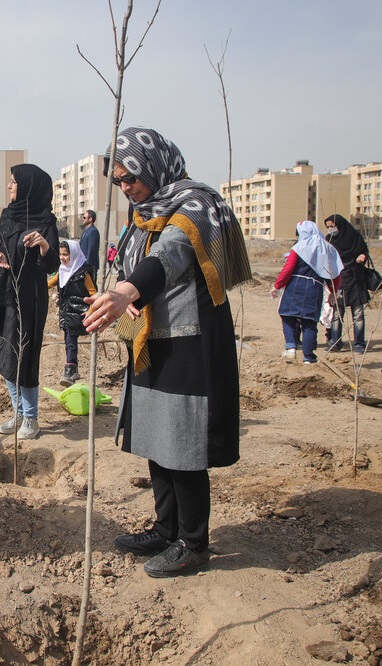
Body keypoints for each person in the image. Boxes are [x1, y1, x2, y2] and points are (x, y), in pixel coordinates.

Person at [83, 126, 252, 578]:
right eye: (118, 182)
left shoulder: (195, 204)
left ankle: (193, 543)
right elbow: (134, 261)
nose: (126, 188)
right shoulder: (142, 215)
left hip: (190, 343)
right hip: (152, 342)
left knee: (184, 443)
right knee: (158, 438)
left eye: (130, 177)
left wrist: (126, 291)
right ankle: (165, 528)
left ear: (152, 165)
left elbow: (172, 256)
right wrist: (115, 299)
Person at [0, 163, 61, 440]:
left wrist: (43, 243)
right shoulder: (9, 214)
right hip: (5, 292)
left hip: (30, 296)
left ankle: (31, 418)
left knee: (25, 355)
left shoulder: (46, 220)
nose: (9, 186)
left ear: (29, 186)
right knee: (6, 353)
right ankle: (17, 412)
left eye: (14, 182)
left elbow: (52, 265)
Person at [271, 220, 344, 364]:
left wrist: (277, 286)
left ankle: (291, 347)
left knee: (288, 316)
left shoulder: (299, 247)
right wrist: (333, 292)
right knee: (309, 323)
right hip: (314, 288)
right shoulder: (328, 249)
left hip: (295, 286)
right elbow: (334, 274)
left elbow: (288, 269)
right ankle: (309, 357)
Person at [47, 240, 96, 386]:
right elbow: (50, 283)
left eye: (66, 254)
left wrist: (91, 311)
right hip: (67, 312)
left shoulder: (83, 273)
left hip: (79, 312)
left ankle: (71, 369)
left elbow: (94, 294)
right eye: (61, 254)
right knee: (69, 340)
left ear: (73, 254)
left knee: (70, 340)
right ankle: (72, 369)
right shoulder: (62, 271)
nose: (62, 258)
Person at [324, 214, 371, 354]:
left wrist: (363, 256)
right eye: (328, 227)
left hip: (356, 280)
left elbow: (364, 251)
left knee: (358, 315)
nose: (330, 229)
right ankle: (335, 342)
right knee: (337, 314)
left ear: (340, 225)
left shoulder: (354, 237)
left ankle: (359, 344)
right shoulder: (329, 241)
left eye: (333, 226)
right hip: (339, 281)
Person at [79, 209, 100, 285]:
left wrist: (88, 265)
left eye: (84, 217)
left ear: (90, 219)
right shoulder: (86, 231)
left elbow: (92, 250)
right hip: (83, 266)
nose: (82, 219)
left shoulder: (93, 231)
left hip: (89, 267)